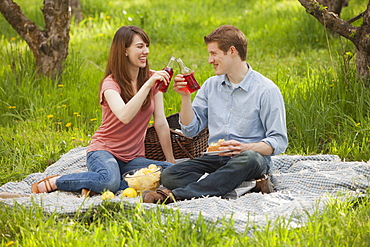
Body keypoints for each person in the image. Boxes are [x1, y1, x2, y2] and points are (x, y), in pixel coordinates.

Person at [143, 25, 288, 204]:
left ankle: (178, 196)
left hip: (250, 159)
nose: (209, 60)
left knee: (248, 160)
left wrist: (244, 148)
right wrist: (185, 97)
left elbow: (278, 141)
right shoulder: (211, 86)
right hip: (215, 158)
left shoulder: (266, 90)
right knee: (170, 175)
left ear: (232, 51)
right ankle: (246, 185)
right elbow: (190, 130)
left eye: (214, 53)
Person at [31, 25, 175, 196]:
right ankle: (58, 181)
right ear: (124, 51)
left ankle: (93, 184)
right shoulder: (111, 84)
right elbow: (124, 116)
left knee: (170, 172)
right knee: (109, 181)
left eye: (146, 46)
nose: (146, 51)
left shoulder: (152, 80)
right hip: (104, 151)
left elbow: (160, 122)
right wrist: (147, 86)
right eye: (140, 46)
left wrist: (170, 160)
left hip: (132, 158)